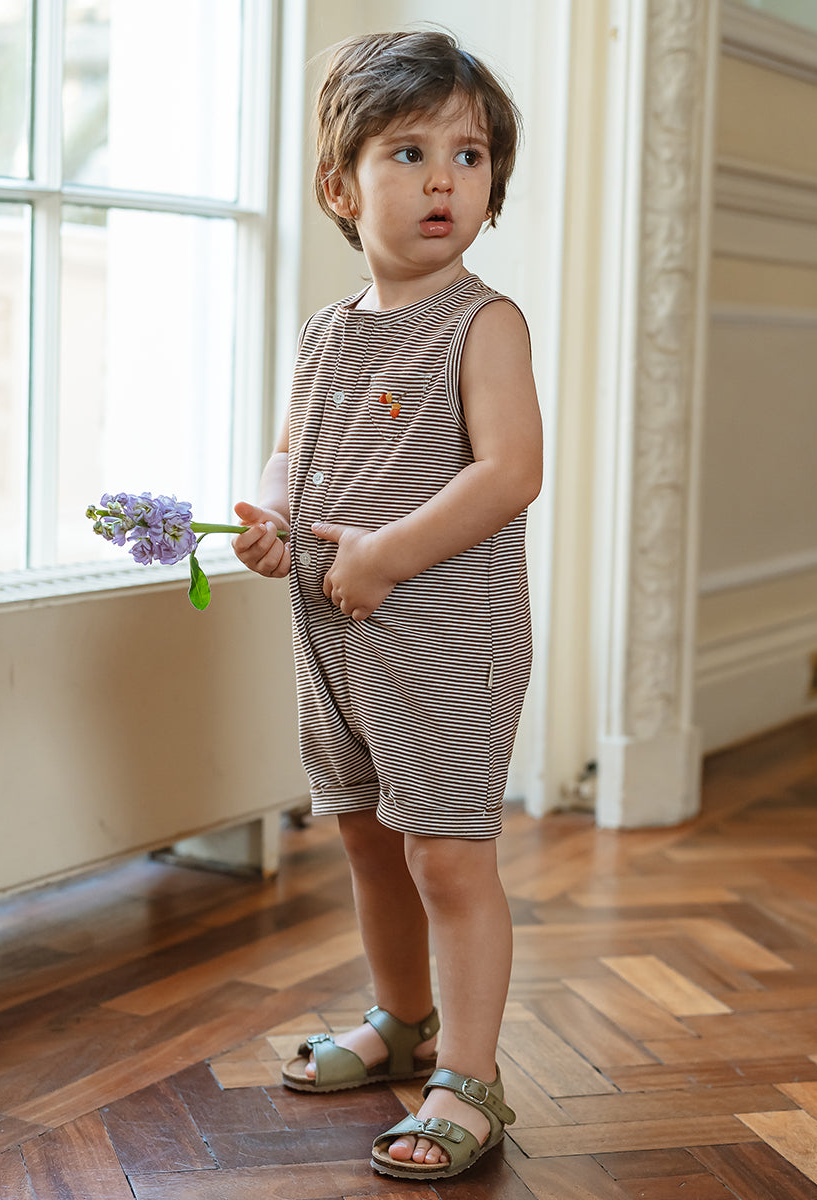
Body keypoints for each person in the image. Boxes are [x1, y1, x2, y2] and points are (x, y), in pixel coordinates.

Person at [232, 28, 541, 1182]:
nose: (443, 180)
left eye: (469, 156)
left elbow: (510, 471)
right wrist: (271, 513)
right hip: (335, 641)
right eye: (408, 153)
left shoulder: (482, 324)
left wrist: (392, 555)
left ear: (491, 188)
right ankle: (403, 1022)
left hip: (446, 643)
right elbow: (290, 452)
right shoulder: (325, 333)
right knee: (367, 837)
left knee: (448, 856)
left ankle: (470, 1076)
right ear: (341, 187)